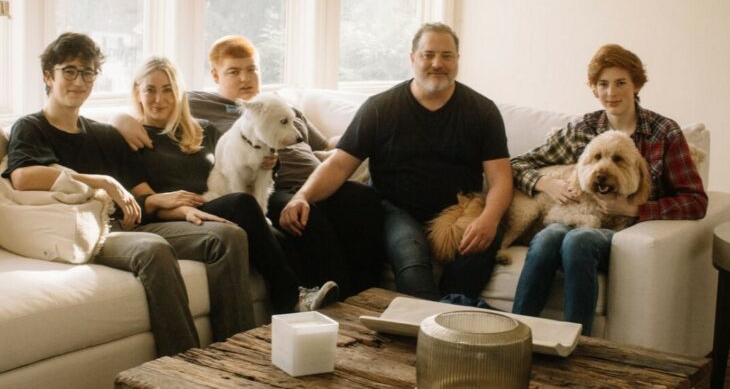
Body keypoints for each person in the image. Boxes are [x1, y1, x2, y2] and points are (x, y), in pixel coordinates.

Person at [1, 32, 254, 357]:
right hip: (84, 232)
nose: (79, 81)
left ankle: (238, 354)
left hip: (127, 225)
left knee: (226, 236)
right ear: (49, 76)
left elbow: (142, 200)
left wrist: (182, 210)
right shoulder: (32, 127)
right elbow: (23, 177)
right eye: (69, 71)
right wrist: (101, 182)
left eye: (87, 72)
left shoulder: (105, 135)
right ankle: (184, 366)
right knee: (153, 249)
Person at [114, 35, 384, 299]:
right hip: (239, 197)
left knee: (361, 199)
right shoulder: (199, 106)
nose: (245, 78)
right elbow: (139, 183)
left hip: (282, 186)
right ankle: (309, 298)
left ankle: (364, 298)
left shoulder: (207, 129)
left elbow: (322, 144)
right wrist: (122, 118)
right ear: (216, 76)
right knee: (288, 213)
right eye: (234, 71)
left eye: (251, 69)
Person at [280, 22, 514, 302]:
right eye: (428, 55)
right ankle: (424, 327)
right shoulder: (380, 108)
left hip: (461, 210)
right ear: (412, 58)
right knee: (412, 262)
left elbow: (500, 178)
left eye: (447, 56)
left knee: (477, 255)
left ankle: (450, 319)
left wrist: (490, 218)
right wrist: (303, 196)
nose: (437, 63)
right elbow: (340, 164)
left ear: (457, 61)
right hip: (396, 209)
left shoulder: (482, 111)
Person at [510, 43, 708, 335]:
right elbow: (518, 163)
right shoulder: (583, 129)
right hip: (577, 217)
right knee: (550, 235)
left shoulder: (663, 132)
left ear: (636, 85)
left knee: (578, 242)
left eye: (620, 83)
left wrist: (635, 209)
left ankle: (580, 346)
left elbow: (695, 201)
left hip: (623, 232)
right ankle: (516, 334)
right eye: (603, 84)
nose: (611, 93)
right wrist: (545, 183)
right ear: (594, 89)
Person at [129, 56, 339, 313]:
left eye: (168, 90)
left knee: (288, 230)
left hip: (219, 201)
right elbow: (141, 199)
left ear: (178, 94)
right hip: (180, 215)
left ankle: (313, 307)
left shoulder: (203, 130)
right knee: (243, 203)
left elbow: (244, 157)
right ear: (137, 92)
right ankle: (291, 296)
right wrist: (122, 119)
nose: (159, 99)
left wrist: (270, 161)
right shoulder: (132, 137)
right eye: (150, 90)